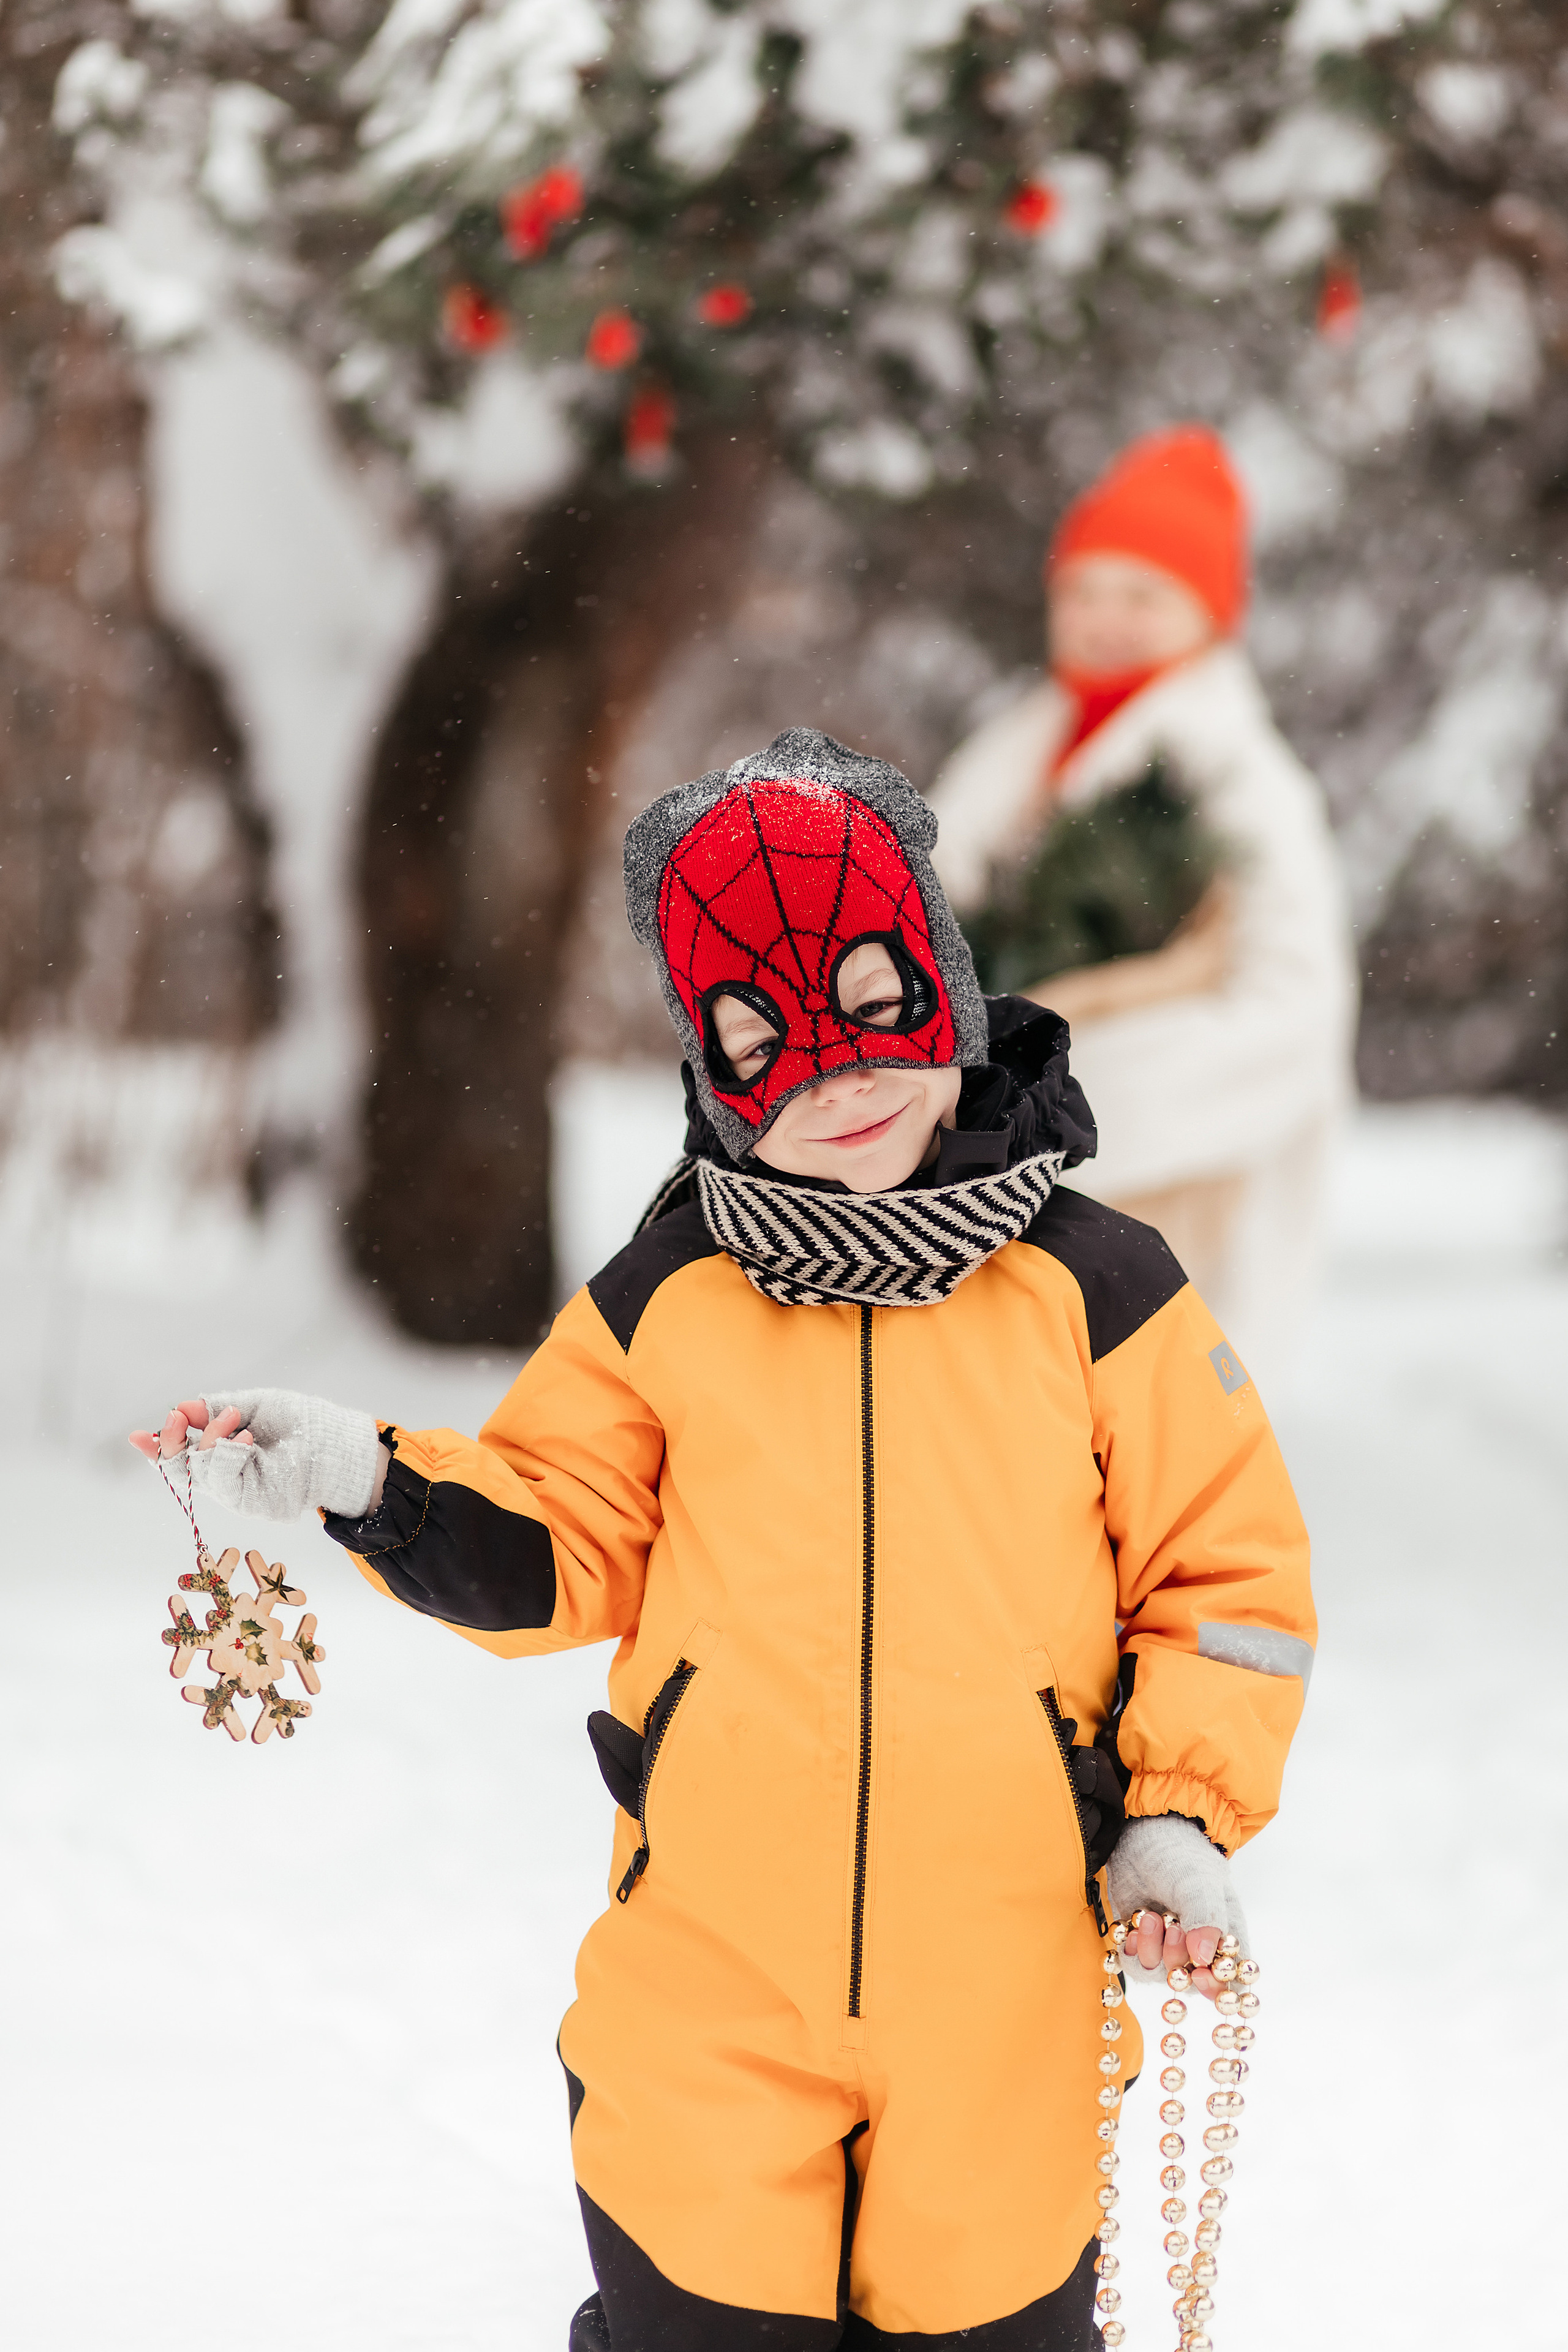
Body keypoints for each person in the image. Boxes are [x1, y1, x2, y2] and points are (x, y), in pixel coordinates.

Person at [131, 730, 1315, 2351]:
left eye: (879, 1016)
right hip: (713, 1974)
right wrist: (371, 1479)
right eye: (768, 1039)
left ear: (951, 1000)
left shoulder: (1103, 1291)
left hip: (1008, 1987)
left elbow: (1225, 1576)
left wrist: (1180, 1815)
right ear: (710, 1063)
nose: (835, 1081)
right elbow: (559, 1536)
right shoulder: (671, 1294)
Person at [927, 426, 1357, 1385]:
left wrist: (1079, 1104)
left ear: (1208, 612)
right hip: (999, 1163)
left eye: (1143, 594)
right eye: (1084, 590)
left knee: (1136, 1434)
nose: (1105, 617)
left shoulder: (1242, 777)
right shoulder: (1020, 743)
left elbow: (1293, 1006)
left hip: (1167, 1181)